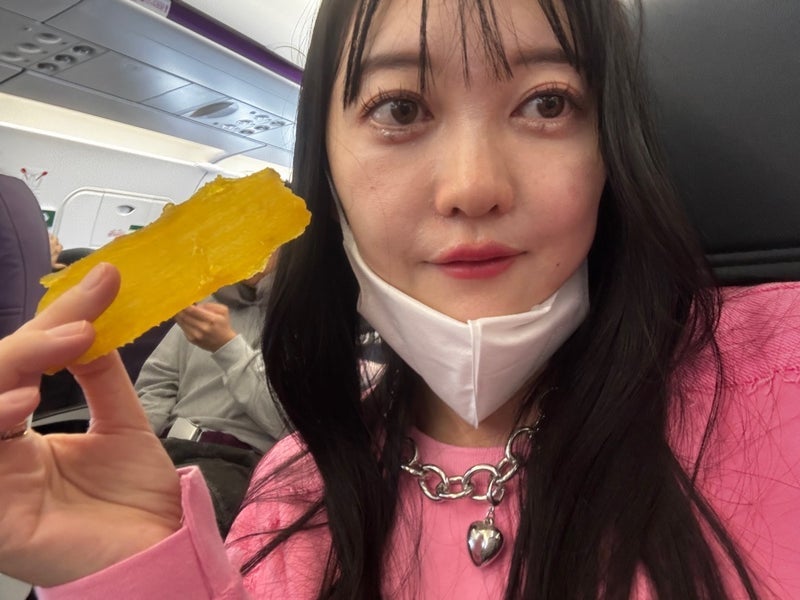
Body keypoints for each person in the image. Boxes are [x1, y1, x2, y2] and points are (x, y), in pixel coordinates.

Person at [0, 0, 798, 598]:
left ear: (611, 147)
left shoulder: (780, 375)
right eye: (400, 109)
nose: (473, 186)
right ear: (327, 171)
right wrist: (144, 575)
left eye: (548, 102)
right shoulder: (292, 497)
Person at [135, 260, 286, 535]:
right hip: (167, 446)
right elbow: (158, 381)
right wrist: (136, 441)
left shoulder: (309, 318)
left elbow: (286, 423)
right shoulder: (206, 302)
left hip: (237, 462)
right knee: (86, 499)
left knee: (154, 520)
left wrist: (227, 347)